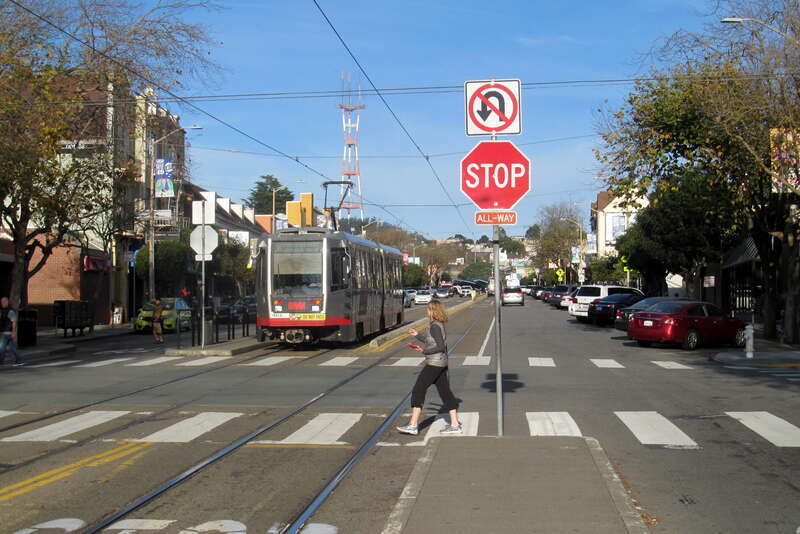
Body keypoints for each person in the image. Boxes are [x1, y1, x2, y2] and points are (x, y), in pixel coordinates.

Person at [397, 300, 461, 435]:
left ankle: (413, 425)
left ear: (433, 311)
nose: (426, 311)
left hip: (434, 364)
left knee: (418, 390)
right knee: (445, 393)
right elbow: (430, 340)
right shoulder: (437, 324)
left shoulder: (435, 326)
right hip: (440, 363)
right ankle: (455, 425)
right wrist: (417, 335)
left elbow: (440, 347)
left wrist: (424, 351)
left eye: (428, 309)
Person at [0, 297, 23, 366]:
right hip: (5, 332)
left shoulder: (10, 311)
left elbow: (14, 322)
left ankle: (1, 361)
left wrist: (14, 332)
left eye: (4, 302)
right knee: (13, 348)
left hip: (6, 332)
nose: (2, 303)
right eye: (1, 302)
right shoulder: (2, 310)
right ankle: (19, 360)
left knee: (1, 348)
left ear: (7, 302)